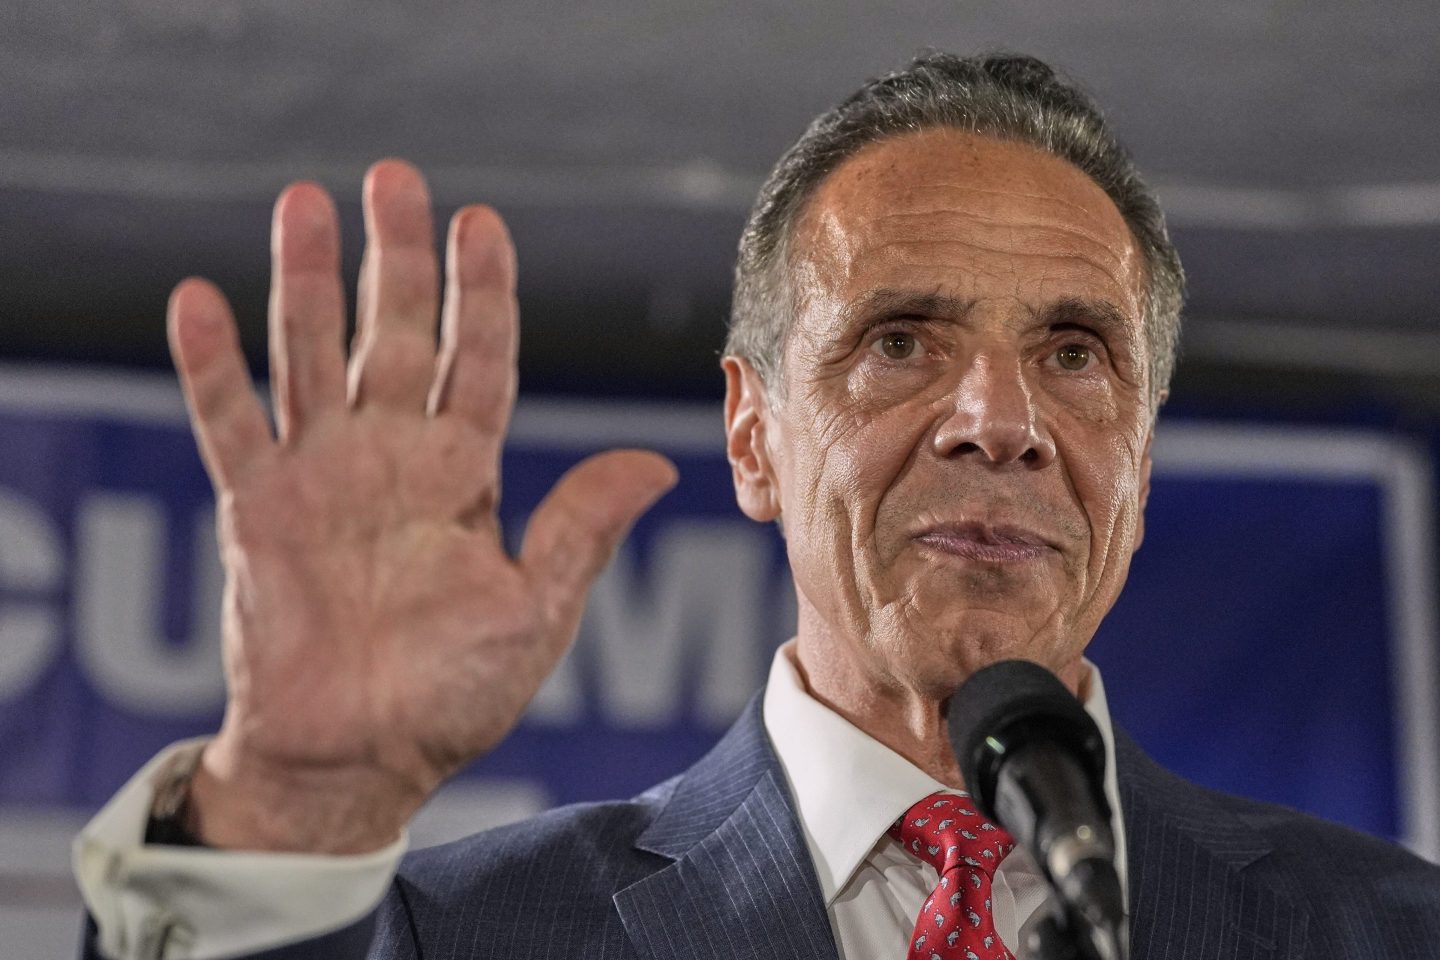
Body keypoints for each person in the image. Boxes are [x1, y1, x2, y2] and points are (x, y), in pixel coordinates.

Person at [75, 52, 1440, 960]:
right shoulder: (472, 935)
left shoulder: (1386, 930)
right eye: (902, 340)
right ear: (754, 434)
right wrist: (291, 817)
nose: (1003, 422)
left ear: (1138, 468)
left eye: (1077, 356)